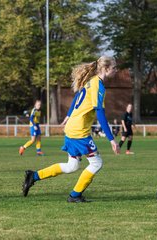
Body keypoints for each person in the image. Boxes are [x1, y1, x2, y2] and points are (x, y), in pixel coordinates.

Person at [22, 56, 120, 203]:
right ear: (106, 69)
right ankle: (75, 196)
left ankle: (33, 176)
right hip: (79, 132)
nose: (116, 70)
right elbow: (100, 113)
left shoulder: (90, 82)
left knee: (72, 166)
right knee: (96, 163)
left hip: (72, 128)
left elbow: (77, 97)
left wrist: (69, 116)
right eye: (114, 68)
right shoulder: (98, 85)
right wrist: (112, 139)